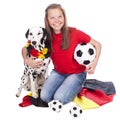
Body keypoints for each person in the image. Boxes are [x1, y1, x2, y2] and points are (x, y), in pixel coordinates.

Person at [22, 3, 101, 107]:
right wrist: (27, 61)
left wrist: (94, 64)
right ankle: (66, 84)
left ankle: (77, 85)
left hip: (76, 73)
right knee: (44, 97)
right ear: (47, 20)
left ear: (64, 17)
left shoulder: (75, 33)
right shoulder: (46, 37)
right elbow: (25, 48)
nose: (57, 20)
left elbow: (98, 44)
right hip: (58, 72)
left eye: (60, 16)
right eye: (52, 18)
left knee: (59, 98)